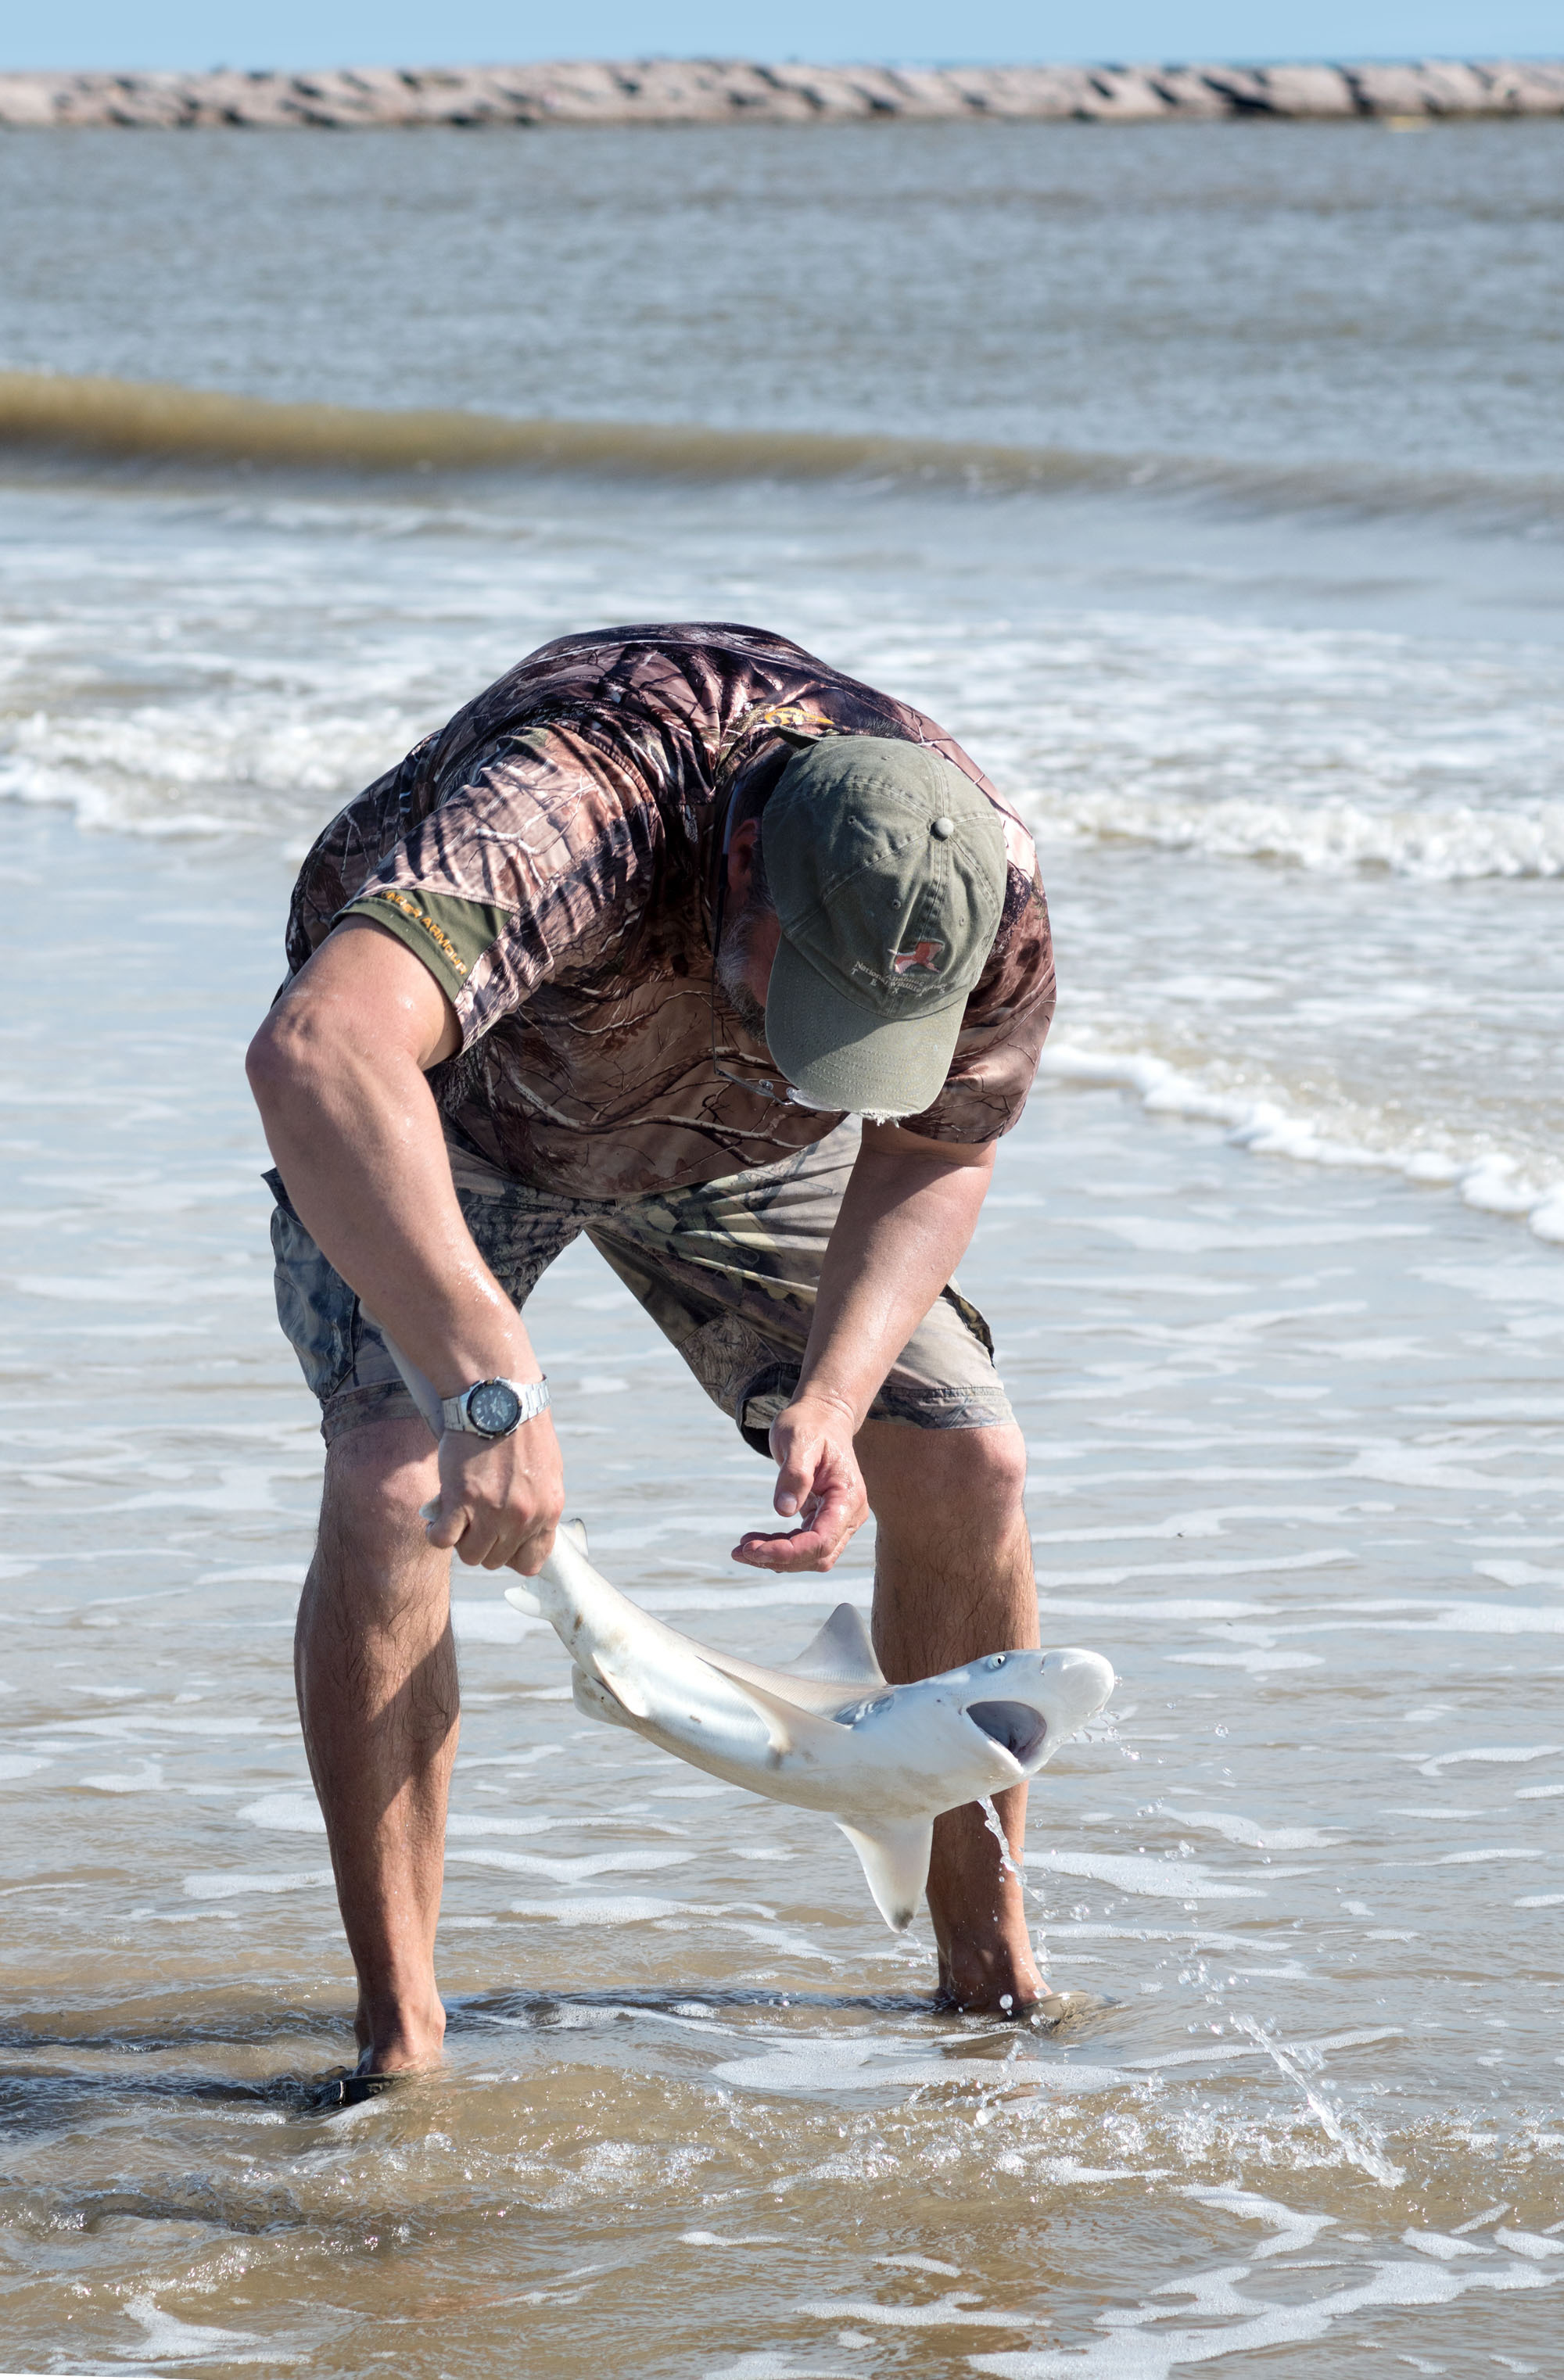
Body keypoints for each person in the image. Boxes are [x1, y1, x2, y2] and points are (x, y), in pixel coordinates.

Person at [246, 621, 1057, 2079]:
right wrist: (486, 1377)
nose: (824, 1051)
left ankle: (988, 1973)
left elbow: (938, 1141)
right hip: (453, 1117)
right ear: (742, 868)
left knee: (968, 1458)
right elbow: (318, 1049)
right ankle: (401, 2039)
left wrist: (834, 1387)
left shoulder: (978, 881)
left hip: (734, 1157)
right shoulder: (578, 801)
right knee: (395, 1487)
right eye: (803, 1001)